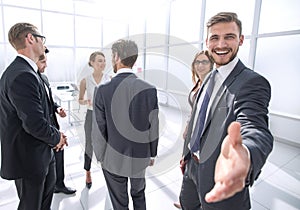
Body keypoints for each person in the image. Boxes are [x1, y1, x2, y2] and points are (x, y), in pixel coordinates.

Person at [179, 12, 273, 210]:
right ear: (207, 42)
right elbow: (198, 120)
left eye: (229, 37)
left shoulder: (252, 83)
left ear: (240, 40)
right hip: (191, 169)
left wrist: (245, 154)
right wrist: (187, 155)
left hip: (219, 175)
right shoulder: (207, 79)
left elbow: (254, 126)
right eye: (215, 38)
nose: (221, 44)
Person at [0, 22, 67, 210]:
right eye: (41, 39)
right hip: (29, 159)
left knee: (44, 202)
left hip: (40, 153)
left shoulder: (29, 72)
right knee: (32, 205)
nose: (43, 45)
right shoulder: (22, 74)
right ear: (30, 38)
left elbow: (42, 112)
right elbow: (34, 124)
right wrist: (58, 137)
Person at [92, 39, 159, 210]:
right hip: (140, 155)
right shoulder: (149, 89)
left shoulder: (102, 90)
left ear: (116, 57)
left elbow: (99, 128)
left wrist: (100, 157)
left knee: (119, 202)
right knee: (139, 194)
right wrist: (152, 153)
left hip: (112, 158)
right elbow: (154, 125)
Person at [174, 50, 213, 209]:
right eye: (197, 62)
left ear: (212, 64)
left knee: (200, 175)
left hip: (204, 140)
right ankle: (186, 201)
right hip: (191, 135)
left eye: (204, 62)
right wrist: (188, 125)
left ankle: (194, 203)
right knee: (188, 170)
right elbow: (194, 110)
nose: (200, 65)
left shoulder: (213, 86)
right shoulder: (198, 83)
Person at [37, 48, 76, 195]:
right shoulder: (29, 79)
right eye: (43, 62)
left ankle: (59, 184)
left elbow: (49, 102)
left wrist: (58, 108)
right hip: (42, 129)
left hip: (53, 126)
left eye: (46, 61)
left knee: (58, 157)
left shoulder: (44, 79)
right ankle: (49, 186)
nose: (45, 65)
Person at [78, 51, 111, 189]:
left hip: (105, 116)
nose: (103, 63)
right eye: (99, 61)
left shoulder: (109, 79)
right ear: (91, 63)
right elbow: (80, 100)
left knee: (107, 144)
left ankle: (109, 171)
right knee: (89, 145)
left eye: (104, 61)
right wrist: (87, 101)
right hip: (91, 116)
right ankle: (88, 172)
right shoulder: (85, 80)